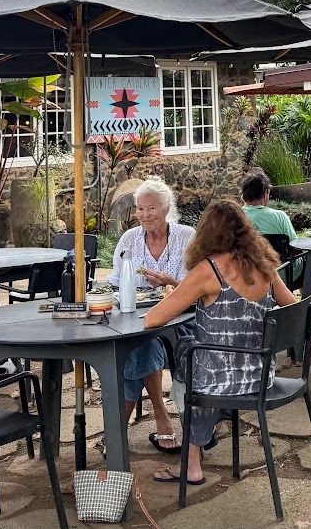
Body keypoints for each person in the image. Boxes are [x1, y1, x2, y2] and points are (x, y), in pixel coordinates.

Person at [143, 200, 296, 486]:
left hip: (219, 378)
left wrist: (170, 293)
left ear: (207, 232)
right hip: (260, 373)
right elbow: (292, 306)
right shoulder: (263, 265)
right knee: (192, 354)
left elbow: (153, 319)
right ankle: (201, 440)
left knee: (184, 353)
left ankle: (192, 458)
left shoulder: (208, 269)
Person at [109, 178, 195, 453]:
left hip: (181, 320)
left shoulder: (186, 236)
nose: (145, 215)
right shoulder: (129, 240)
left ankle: (119, 429)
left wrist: (171, 280)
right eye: (140, 209)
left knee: (140, 344)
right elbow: (114, 282)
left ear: (167, 207)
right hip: (140, 316)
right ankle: (161, 415)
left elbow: (200, 286)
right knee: (142, 342)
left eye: (152, 209)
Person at [240, 169, 311, 329]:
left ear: (243, 196)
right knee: (305, 263)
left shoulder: (236, 217)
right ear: (265, 194)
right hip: (282, 274)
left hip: (245, 275)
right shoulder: (279, 216)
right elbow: (295, 247)